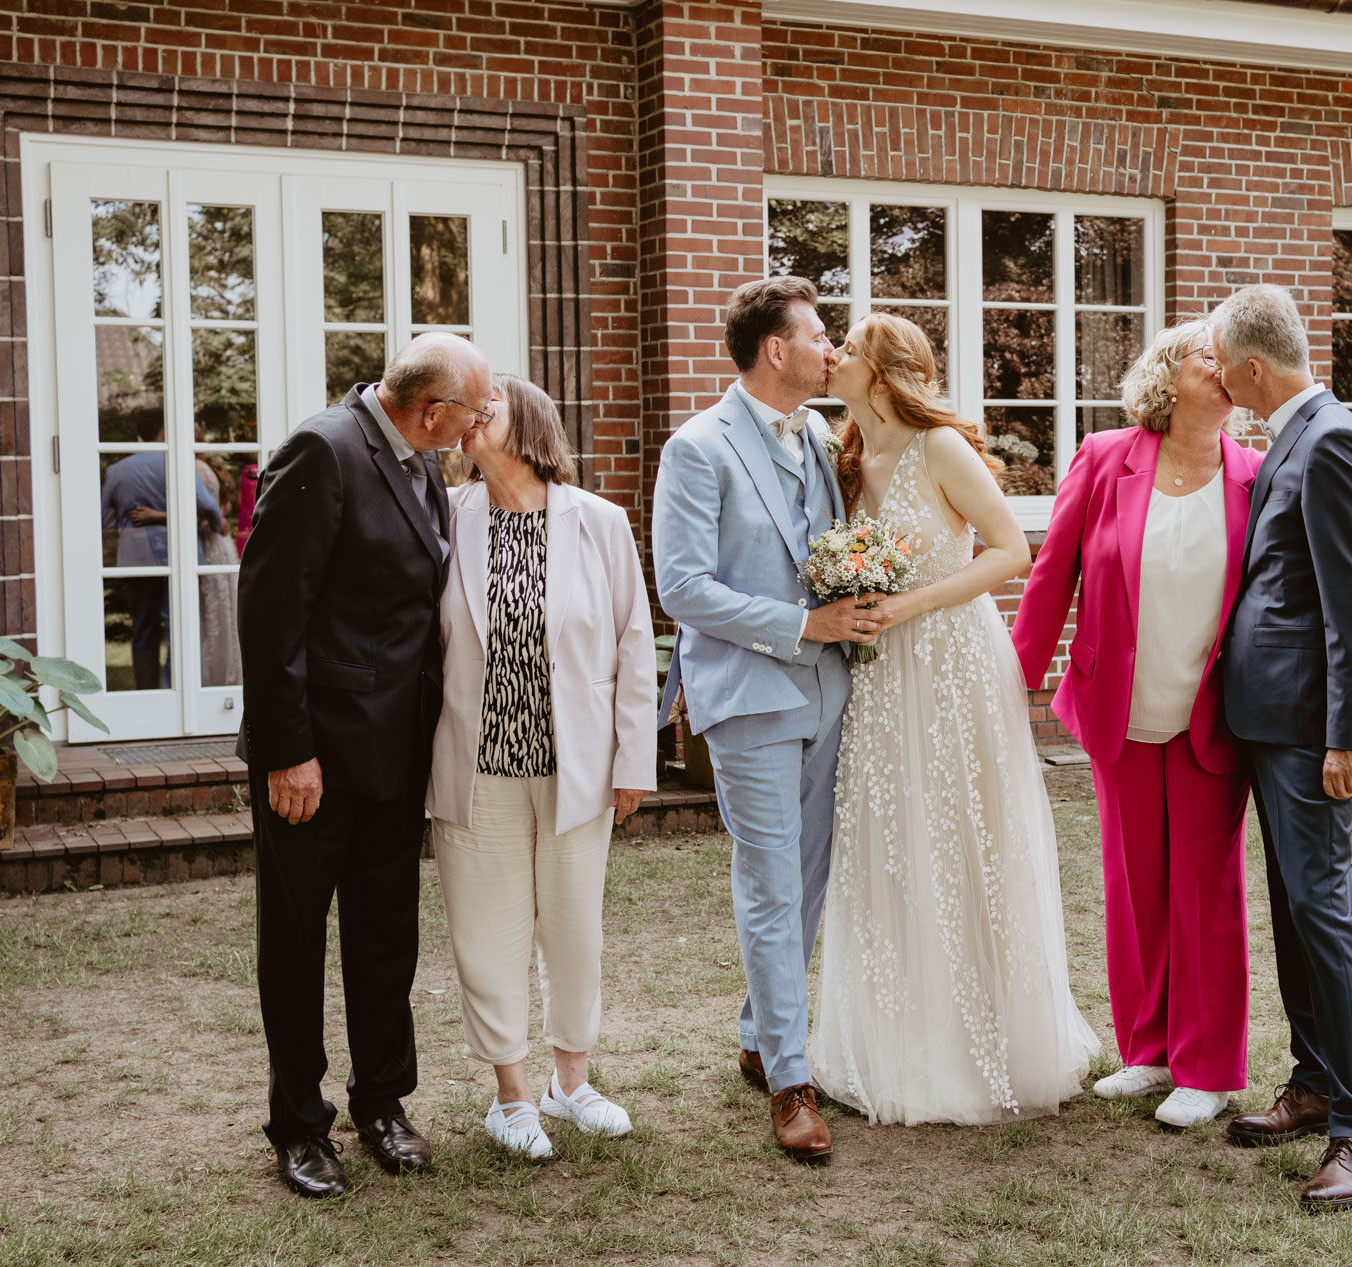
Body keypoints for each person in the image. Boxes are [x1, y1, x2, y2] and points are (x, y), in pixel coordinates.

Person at [810, 312, 1097, 1125]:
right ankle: (900, 1033)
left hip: (953, 663)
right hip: (882, 672)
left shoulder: (941, 449)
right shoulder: (850, 458)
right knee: (891, 842)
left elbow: (1012, 550)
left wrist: (907, 604)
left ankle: (988, 1039)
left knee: (965, 841)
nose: (832, 357)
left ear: (884, 370)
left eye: (849, 350)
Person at [237, 332, 489, 1199]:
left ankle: (382, 1103)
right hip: (314, 762)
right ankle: (300, 1126)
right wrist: (287, 752)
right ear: (431, 409)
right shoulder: (323, 449)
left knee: (386, 938)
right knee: (299, 942)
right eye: (474, 411)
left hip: (395, 757)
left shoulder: (422, 465)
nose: (478, 425)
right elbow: (271, 615)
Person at [1011, 320, 1260, 1129]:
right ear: (1165, 375)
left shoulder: (1257, 475)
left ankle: (1209, 1066)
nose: (1220, 367)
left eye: (1228, 358)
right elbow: (1052, 576)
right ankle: (1148, 1050)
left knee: (1205, 891)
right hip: (1119, 707)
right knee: (1132, 885)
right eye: (1203, 354)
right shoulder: (1104, 455)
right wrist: (1014, 681)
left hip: (1208, 714)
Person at [651, 277, 877, 1164]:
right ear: (774, 351)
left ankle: (757, 1030)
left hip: (830, 687)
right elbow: (683, 587)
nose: (831, 350)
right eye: (818, 336)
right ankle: (790, 1078)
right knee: (772, 885)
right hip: (748, 695)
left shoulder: (817, 434)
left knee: (810, 877)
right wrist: (800, 624)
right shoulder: (697, 448)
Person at [425, 374, 656, 1160]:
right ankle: (512, 1096)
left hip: (577, 765)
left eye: (483, 409)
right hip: (476, 763)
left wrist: (635, 761)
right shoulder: (447, 519)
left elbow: (633, 643)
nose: (466, 420)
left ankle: (571, 1083)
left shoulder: (599, 521)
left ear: (529, 425)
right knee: (486, 933)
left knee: (573, 928)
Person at [1210, 285, 1352, 1211]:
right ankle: (1314, 1079)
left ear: (1250, 367)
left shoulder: (1335, 441)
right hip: (1264, 719)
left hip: (1309, 730)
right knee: (1289, 910)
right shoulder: (1288, 436)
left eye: (1218, 363)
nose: (1216, 378)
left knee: (1323, 912)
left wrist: (1348, 733)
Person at [99, 428, 223, 690]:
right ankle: (172, 689)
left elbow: (106, 520)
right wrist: (216, 528)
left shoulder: (117, 470)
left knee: (143, 627)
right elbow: (209, 507)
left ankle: (146, 692)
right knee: (178, 624)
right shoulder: (176, 463)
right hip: (179, 553)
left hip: (135, 555)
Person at [194, 457, 242, 688]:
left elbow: (209, 509)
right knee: (224, 610)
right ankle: (226, 672)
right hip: (222, 543)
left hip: (209, 541)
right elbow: (226, 507)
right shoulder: (210, 469)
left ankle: (214, 677)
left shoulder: (193, 467)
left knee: (211, 611)